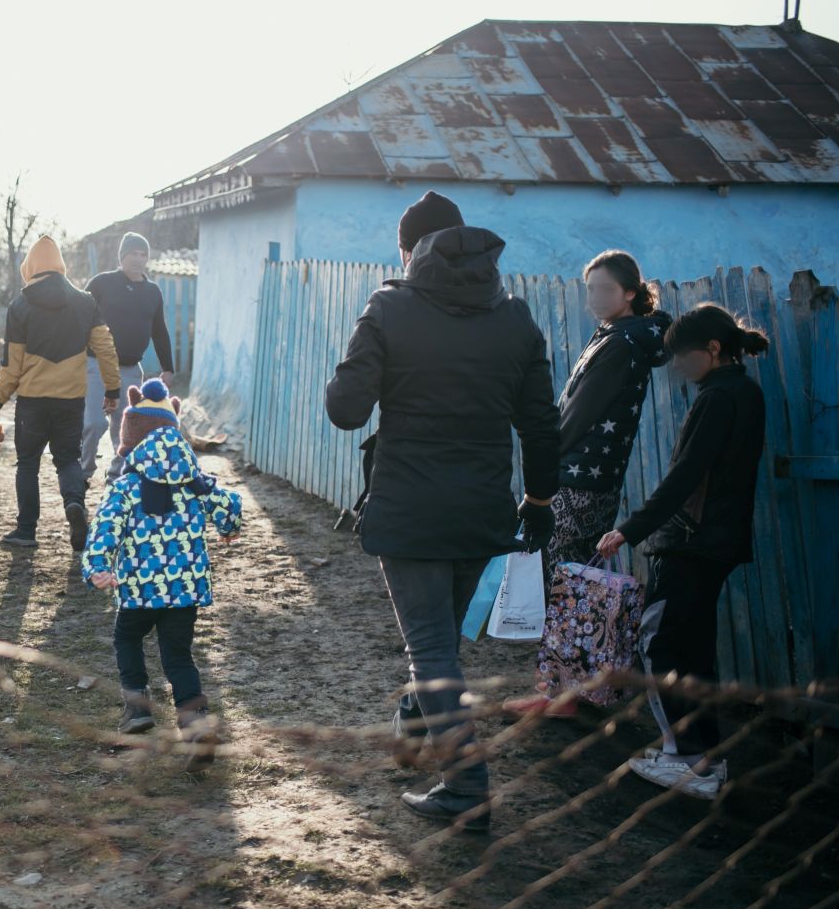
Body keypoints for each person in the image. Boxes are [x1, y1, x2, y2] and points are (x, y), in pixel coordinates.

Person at [325, 190, 560, 833]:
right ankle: (414, 715)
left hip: (409, 508)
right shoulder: (514, 319)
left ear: (409, 250)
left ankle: (466, 786)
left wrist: (352, 358)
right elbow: (542, 426)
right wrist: (538, 503)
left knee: (431, 646)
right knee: (439, 640)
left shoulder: (389, 308)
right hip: (482, 510)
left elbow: (345, 409)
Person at [597, 304, 768, 801]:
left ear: (713, 350)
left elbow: (685, 477)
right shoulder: (743, 393)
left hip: (691, 541)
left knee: (661, 643)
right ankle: (698, 758)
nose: (679, 368)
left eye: (684, 357)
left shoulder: (718, 398)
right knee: (692, 650)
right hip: (714, 542)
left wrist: (630, 529)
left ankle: (689, 762)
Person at [503, 250, 671, 718]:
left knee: (562, 583)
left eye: (605, 290)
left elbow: (579, 414)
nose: (595, 298)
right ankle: (568, 691)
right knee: (572, 582)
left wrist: (544, 463)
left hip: (577, 478)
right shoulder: (623, 334)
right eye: (591, 288)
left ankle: (560, 696)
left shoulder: (621, 342)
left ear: (631, 293)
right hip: (589, 478)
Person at [83, 378, 242, 770]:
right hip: (184, 590)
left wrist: (98, 568)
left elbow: (105, 527)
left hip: (138, 588)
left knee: (127, 636)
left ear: (131, 438)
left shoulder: (127, 484)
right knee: (178, 656)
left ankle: (137, 707)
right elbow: (228, 504)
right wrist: (227, 526)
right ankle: (196, 725)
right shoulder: (194, 480)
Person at [0, 236, 121, 552]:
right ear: (60, 265)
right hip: (71, 400)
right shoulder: (86, 302)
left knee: (28, 462)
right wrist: (112, 389)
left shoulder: (19, 306)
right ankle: (75, 504)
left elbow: (11, 366)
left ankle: (26, 530)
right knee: (68, 458)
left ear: (29, 268)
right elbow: (106, 348)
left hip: (32, 402)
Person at [82, 232, 176, 481]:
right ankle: (83, 473)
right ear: (122, 256)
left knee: (125, 429)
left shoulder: (153, 292)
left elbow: (160, 331)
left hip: (131, 370)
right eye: (133, 253)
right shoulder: (102, 283)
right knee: (93, 423)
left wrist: (168, 368)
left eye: (143, 253)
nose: (138, 258)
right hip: (95, 365)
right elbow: (78, 317)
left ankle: (116, 476)